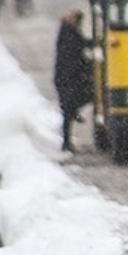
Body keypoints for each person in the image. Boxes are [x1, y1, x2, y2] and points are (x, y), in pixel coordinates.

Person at [53, 9, 92, 152]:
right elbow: (76, 51)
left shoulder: (67, 32)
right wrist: (87, 65)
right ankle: (66, 142)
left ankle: (67, 140)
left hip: (67, 77)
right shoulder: (69, 33)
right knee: (68, 110)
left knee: (68, 110)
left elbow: (80, 46)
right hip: (68, 78)